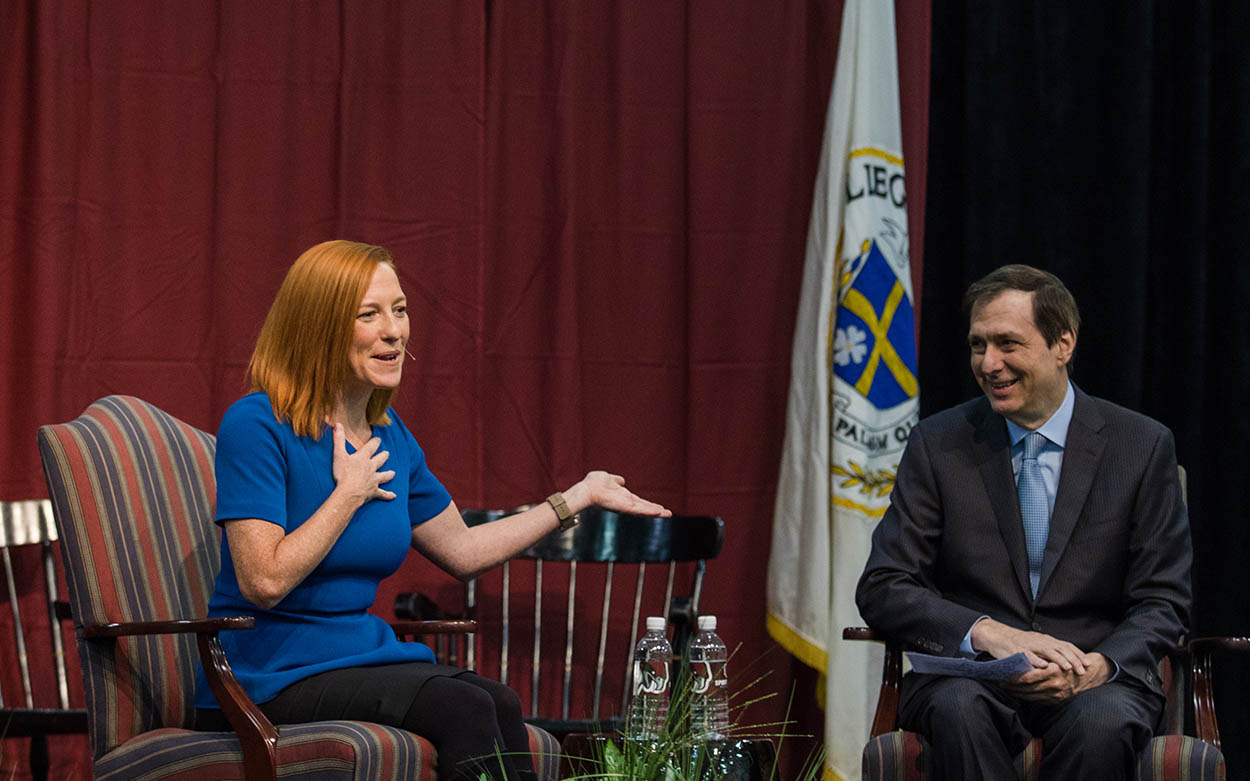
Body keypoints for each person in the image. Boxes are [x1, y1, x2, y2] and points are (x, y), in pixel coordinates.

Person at [193, 239, 670, 781]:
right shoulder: (256, 424)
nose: (394, 331)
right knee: (461, 707)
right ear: (320, 326)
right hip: (264, 671)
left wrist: (574, 498)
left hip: (354, 653)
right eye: (368, 315)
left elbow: (463, 550)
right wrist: (348, 493)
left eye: (399, 310)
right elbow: (263, 579)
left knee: (501, 702)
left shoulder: (390, 436)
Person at [855, 264, 1191, 779]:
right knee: (959, 709)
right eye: (977, 345)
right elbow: (884, 584)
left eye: (1007, 343)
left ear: (1063, 344)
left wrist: (1095, 667)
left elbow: (1164, 598)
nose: (989, 363)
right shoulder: (938, 444)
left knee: (1102, 723)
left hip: (1096, 676)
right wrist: (989, 634)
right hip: (972, 675)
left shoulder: (1140, 447)